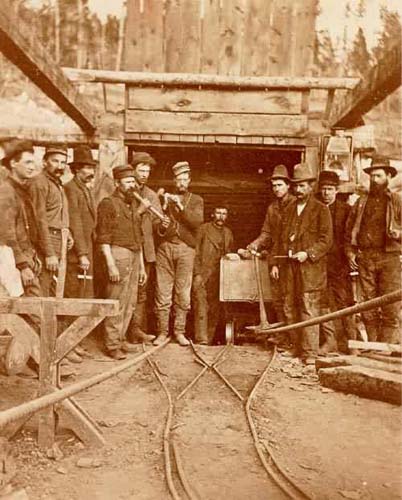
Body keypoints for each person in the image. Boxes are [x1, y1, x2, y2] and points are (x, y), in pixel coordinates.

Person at [271, 163, 333, 364]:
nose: (299, 190)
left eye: (303, 186)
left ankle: (309, 354)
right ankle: (295, 347)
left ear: (311, 186)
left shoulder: (321, 209)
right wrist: (276, 262)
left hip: (310, 269)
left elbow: (326, 240)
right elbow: (281, 239)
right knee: (290, 306)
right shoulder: (289, 209)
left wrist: (308, 253)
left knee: (308, 308)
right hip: (290, 267)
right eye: (296, 186)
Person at [345, 155, 401, 345]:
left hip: (390, 259)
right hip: (366, 259)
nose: (374, 180)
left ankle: (388, 349)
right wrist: (351, 252)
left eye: (378, 176)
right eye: (372, 176)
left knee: (390, 306)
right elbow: (348, 231)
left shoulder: (396, 201)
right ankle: (374, 348)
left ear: (387, 177)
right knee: (367, 306)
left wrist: (398, 234)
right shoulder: (361, 202)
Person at [96, 165, 148, 360]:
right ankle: (112, 345)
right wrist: (110, 264)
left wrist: (141, 267)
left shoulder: (133, 204)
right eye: (127, 182)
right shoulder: (108, 204)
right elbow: (103, 238)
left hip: (134, 255)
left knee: (130, 302)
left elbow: (139, 238)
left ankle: (120, 338)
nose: (132, 185)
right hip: (118, 254)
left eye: (133, 182)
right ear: (117, 184)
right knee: (116, 301)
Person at [153, 161, 204, 346]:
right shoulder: (163, 199)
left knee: (183, 292)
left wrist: (180, 207)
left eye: (185, 179)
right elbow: (156, 227)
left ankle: (179, 332)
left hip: (186, 249)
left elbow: (196, 223)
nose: (181, 183)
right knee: (162, 291)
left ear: (189, 181)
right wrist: (162, 223)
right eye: (178, 180)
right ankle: (162, 332)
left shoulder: (196, 200)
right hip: (165, 248)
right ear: (174, 181)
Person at [317, 171, 358, 354]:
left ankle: (352, 343)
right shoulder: (315, 208)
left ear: (337, 190)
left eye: (330, 189)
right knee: (324, 303)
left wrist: (350, 256)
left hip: (340, 264)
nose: (326, 193)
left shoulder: (346, 210)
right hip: (319, 264)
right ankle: (330, 341)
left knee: (345, 302)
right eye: (324, 189)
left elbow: (350, 237)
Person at [247, 164, 295, 323]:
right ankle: (282, 336)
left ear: (288, 185)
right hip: (276, 258)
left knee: (290, 301)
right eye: (274, 186)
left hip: (291, 260)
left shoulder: (296, 205)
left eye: (280, 185)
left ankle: (291, 338)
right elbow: (267, 233)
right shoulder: (272, 208)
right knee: (277, 300)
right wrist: (255, 244)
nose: (276, 189)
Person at [27, 144, 73, 297]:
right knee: (43, 287)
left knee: (55, 288)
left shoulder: (56, 183)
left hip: (59, 238)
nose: (59, 166)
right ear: (44, 162)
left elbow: (57, 213)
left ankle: (49, 321)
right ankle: (39, 321)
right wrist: (49, 253)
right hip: (46, 241)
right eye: (55, 161)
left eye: (63, 162)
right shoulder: (39, 183)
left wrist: (67, 232)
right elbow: (39, 220)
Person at [0, 140, 41, 299]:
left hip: (27, 259)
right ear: (14, 163)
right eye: (28, 162)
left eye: (34, 162)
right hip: (14, 264)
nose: (32, 166)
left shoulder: (23, 189)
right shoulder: (6, 192)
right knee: (33, 316)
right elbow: (7, 234)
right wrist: (23, 266)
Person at [130, 151, 162, 343]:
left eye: (147, 171)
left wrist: (164, 224)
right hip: (129, 248)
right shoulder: (127, 191)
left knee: (142, 293)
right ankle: (123, 332)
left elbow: (158, 227)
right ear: (134, 170)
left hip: (146, 250)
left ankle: (136, 330)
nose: (144, 174)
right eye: (141, 170)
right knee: (127, 292)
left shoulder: (151, 194)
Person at [192, 204, 234, 345]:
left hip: (220, 275)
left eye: (224, 213)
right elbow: (196, 252)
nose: (221, 216)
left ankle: (209, 339)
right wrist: (197, 273)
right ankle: (201, 338)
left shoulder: (228, 232)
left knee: (215, 308)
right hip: (204, 273)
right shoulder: (203, 229)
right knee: (201, 306)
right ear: (212, 215)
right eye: (218, 212)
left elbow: (229, 252)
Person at [64, 146, 97, 300]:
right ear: (76, 169)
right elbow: (75, 223)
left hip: (88, 247)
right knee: (76, 291)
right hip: (77, 252)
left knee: (86, 290)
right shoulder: (70, 189)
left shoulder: (85, 189)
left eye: (93, 168)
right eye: (88, 168)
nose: (92, 172)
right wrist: (82, 254)